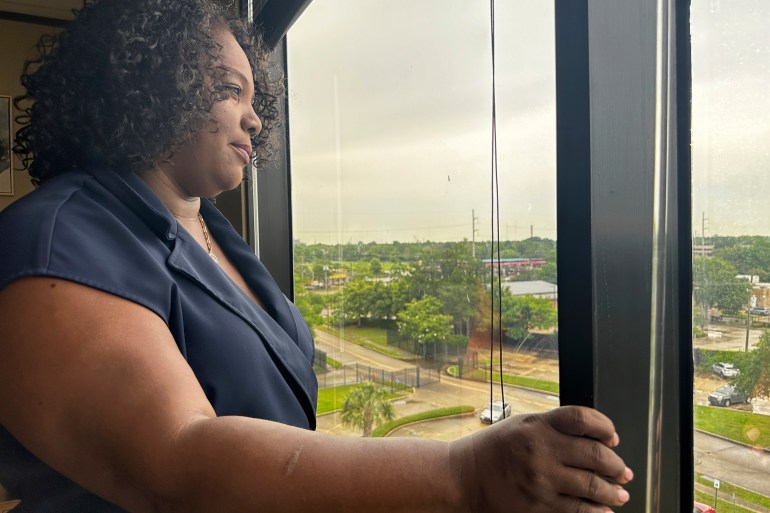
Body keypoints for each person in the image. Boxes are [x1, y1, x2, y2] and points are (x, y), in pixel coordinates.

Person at [0, 0, 633, 511]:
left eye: (256, 100)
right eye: (229, 89)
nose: (253, 119)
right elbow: (177, 463)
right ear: (145, 84)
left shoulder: (211, 233)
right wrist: (464, 472)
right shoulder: (57, 240)